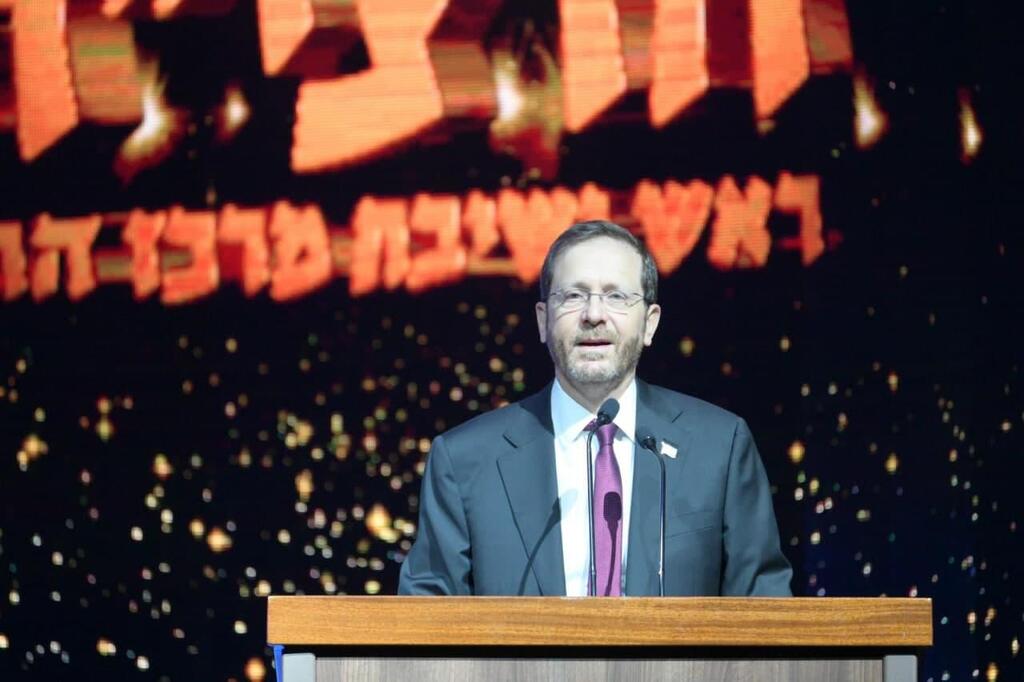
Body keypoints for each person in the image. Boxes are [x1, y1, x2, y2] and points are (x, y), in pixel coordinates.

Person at [398, 220, 792, 596]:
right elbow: (426, 616)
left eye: (616, 296)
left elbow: (765, 608)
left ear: (650, 323)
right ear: (542, 320)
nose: (593, 314)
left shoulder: (719, 447)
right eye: (573, 296)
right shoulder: (466, 459)